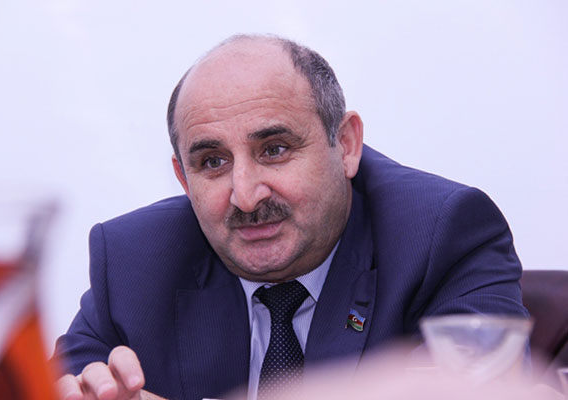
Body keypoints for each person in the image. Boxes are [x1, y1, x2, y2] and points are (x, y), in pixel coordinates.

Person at [54, 34, 528, 400]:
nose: (245, 195)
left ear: (346, 145)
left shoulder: (443, 234)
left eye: (275, 149)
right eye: (213, 162)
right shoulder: (132, 262)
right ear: (183, 178)